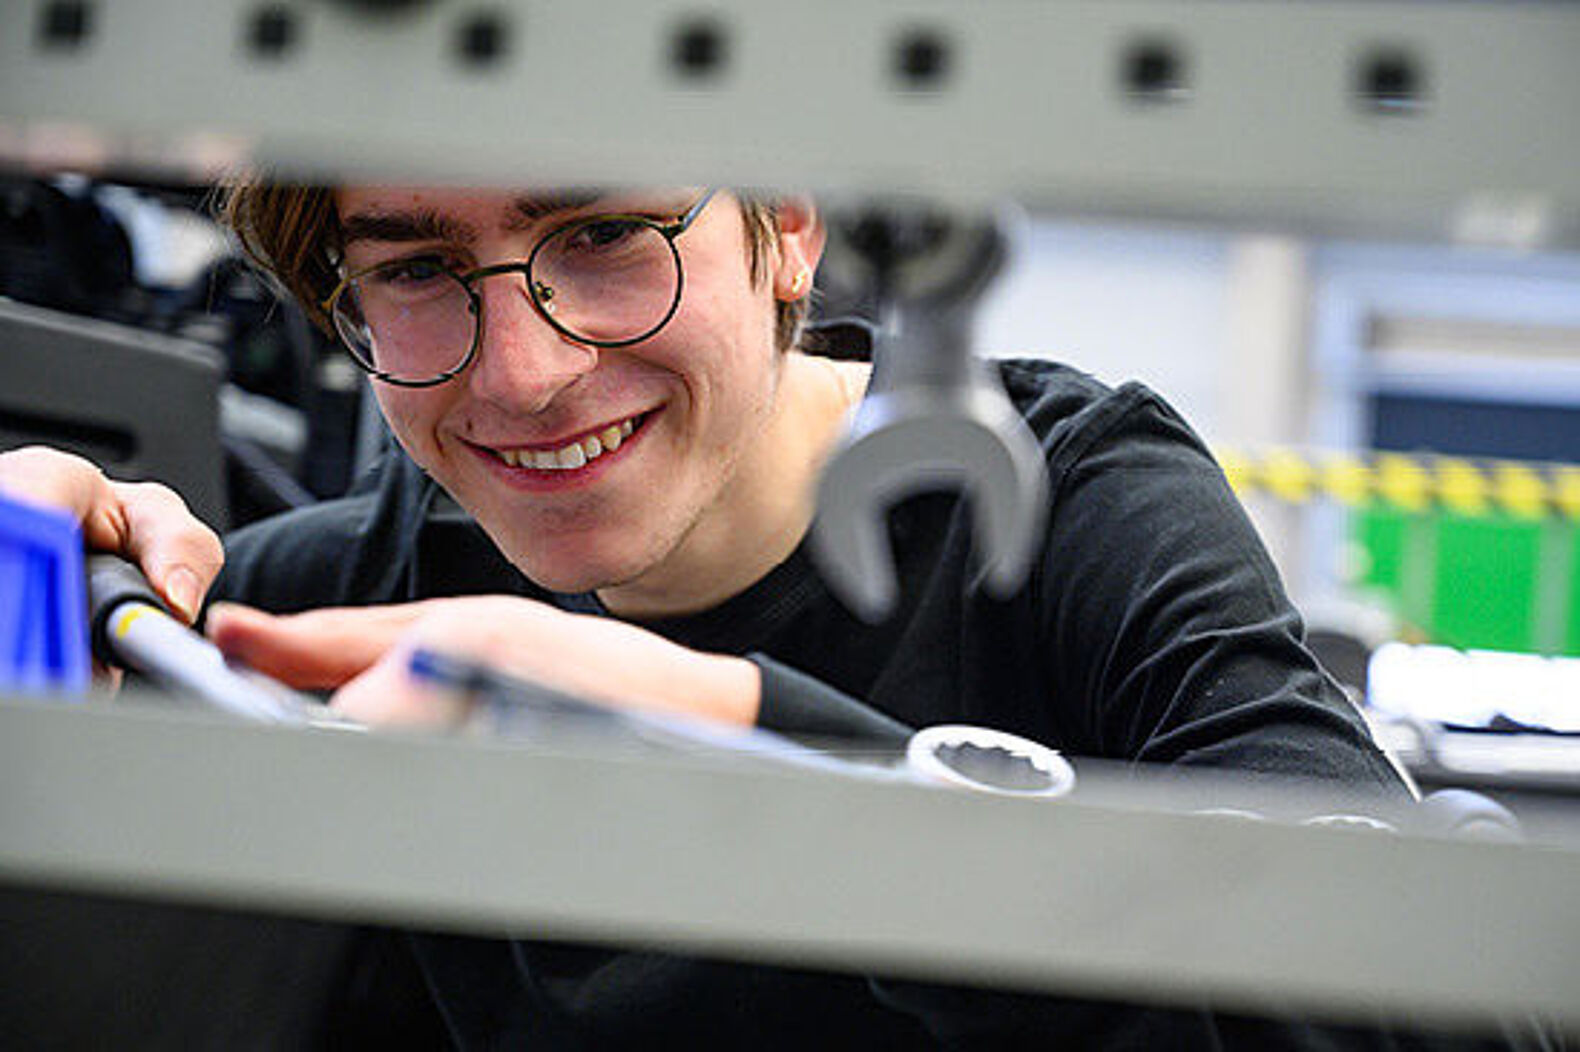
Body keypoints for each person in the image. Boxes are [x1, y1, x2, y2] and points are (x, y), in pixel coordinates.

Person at [0, 183, 1535, 1049]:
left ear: (786, 227)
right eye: (416, 270)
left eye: (604, 236)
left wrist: (740, 731)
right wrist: (42, 610)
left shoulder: (1076, 511)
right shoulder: (331, 606)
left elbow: (1450, 1022)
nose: (523, 374)